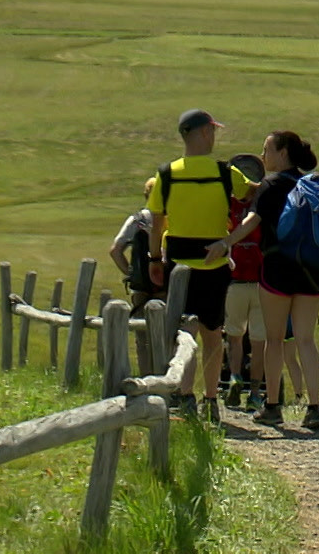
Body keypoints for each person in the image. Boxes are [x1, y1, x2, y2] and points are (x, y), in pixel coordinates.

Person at [205, 130, 319, 430]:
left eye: (267, 149)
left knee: (274, 340)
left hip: (277, 270)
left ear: (283, 153)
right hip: (313, 272)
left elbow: (252, 221)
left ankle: (273, 407)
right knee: (306, 340)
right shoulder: (314, 186)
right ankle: (315, 408)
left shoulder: (271, 185)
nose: (263, 156)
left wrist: (225, 243)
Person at [147, 109, 256, 424]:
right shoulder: (225, 172)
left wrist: (155, 259)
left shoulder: (166, 174)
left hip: (178, 265)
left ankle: (185, 395)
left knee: (184, 333)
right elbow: (251, 192)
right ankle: (211, 398)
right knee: (213, 334)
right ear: (205, 133)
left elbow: (156, 224)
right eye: (213, 131)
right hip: (216, 264)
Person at [222, 153, 267, 410]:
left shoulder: (228, 205)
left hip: (234, 279)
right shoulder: (264, 204)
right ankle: (255, 391)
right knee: (259, 340)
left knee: (235, 336)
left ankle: (235, 377)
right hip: (262, 282)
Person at [109, 177, 162, 313]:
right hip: (166, 284)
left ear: (146, 195)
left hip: (140, 287)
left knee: (141, 328)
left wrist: (132, 275)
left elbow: (115, 251)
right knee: (167, 330)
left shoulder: (138, 220)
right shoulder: (172, 219)